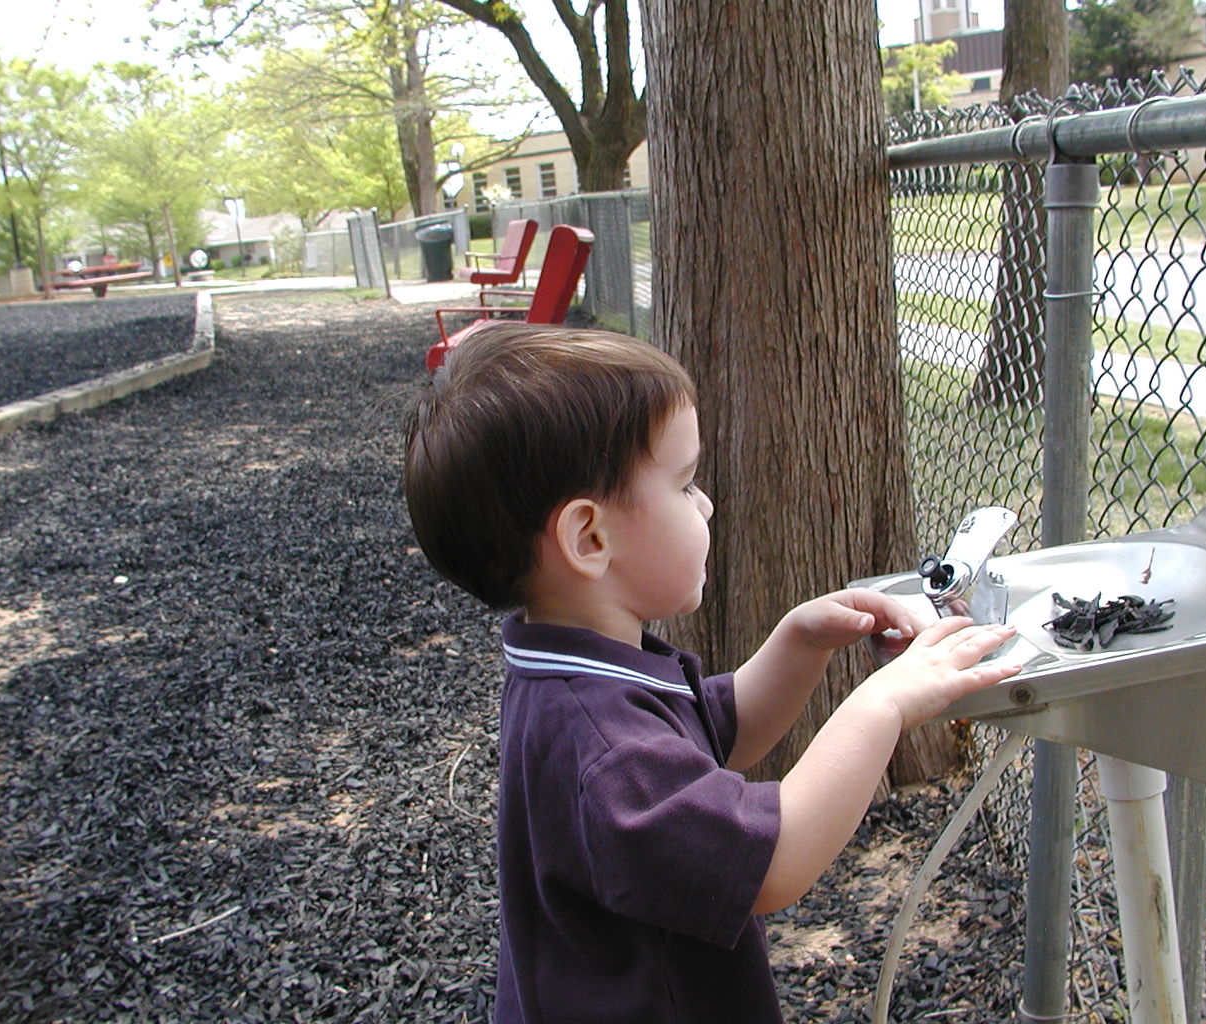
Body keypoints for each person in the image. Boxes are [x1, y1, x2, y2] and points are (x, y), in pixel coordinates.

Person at [403, 321, 1022, 1024]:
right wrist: (881, 705)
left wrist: (797, 642)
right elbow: (775, 862)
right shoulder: (602, 746)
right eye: (684, 483)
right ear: (589, 538)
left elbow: (714, 731)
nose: (706, 503)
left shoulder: (572, 671)